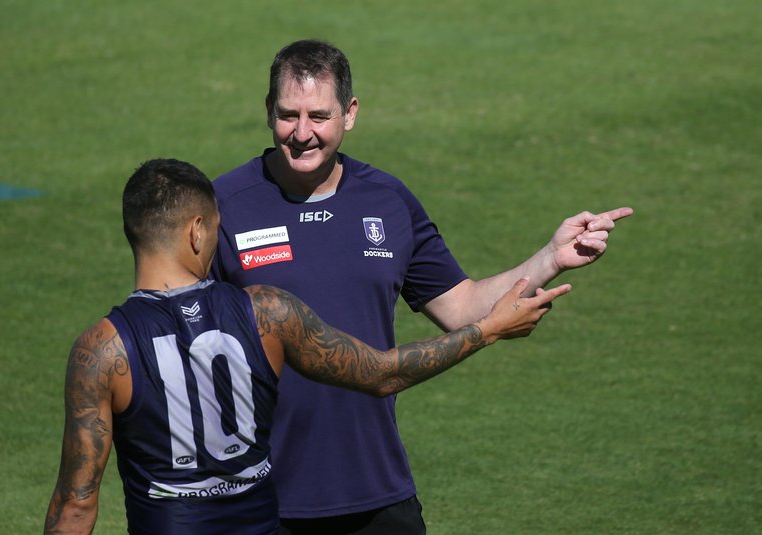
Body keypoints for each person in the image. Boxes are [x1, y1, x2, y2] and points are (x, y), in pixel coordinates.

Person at [209, 39, 634, 534]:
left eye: (319, 117)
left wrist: (549, 258)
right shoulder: (223, 205)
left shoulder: (387, 200)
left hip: (376, 491)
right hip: (258, 499)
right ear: (267, 111)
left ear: (350, 114)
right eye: (288, 115)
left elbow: (461, 306)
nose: (302, 134)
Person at [44, 158, 570, 534]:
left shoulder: (101, 351)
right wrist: (487, 331)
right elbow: (384, 372)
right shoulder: (268, 312)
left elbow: (75, 506)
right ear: (199, 232)